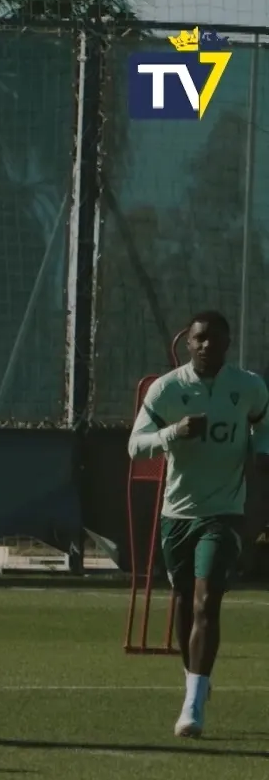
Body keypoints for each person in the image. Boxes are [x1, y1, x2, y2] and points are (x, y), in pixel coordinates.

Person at [127, 310, 269, 737]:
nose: (207, 345)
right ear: (187, 344)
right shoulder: (167, 390)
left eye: (215, 339)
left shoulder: (247, 386)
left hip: (224, 514)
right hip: (178, 515)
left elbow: (264, 424)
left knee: (208, 602)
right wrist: (174, 433)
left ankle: (192, 706)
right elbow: (136, 446)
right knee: (186, 602)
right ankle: (196, 681)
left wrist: (262, 451)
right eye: (200, 339)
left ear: (228, 344)